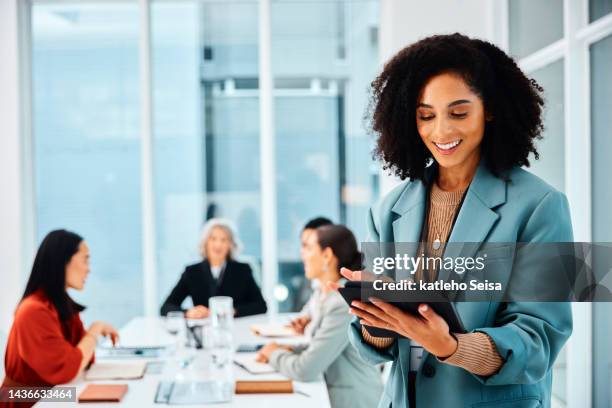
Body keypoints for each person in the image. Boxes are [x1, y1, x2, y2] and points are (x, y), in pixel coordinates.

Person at [333, 33, 573, 407]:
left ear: (490, 108)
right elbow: (375, 352)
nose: (441, 131)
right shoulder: (389, 209)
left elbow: (539, 341)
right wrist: (375, 317)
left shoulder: (541, 206)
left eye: (458, 113)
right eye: (426, 116)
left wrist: (450, 346)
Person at [256, 225, 383, 408]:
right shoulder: (324, 294)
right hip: (332, 393)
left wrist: (273, 354)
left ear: (327, 256)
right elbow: (317, 346)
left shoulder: (342, 302)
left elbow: (305, 370)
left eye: (308, 248)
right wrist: (289, 350)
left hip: (355, 401)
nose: (303, 255)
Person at [1, 230, 118, 407]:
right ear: (63, 262)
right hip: (28, 401)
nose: (89, 269)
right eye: (85, 259)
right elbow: (69, 367)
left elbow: (83, 360)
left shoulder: (61, 305)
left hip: (54, 396)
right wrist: (94, 331)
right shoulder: (33, 311)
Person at [160, 218, 266, 318]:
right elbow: (166, 307)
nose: (218, 244)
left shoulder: (242, 270)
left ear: (230, 245)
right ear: (205, 243)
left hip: (235, 328)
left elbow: (261, 306)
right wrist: (188, 312)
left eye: (224, 240)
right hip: (203, 330)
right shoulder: (192, 272)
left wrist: (234, 311)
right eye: (213, 239)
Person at [290, 216, 333, 315]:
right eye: (303, 246)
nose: (302, 253)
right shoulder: (316, 285)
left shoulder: (342, 296)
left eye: (308, 247)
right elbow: (304, 316)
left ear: (327, 252)